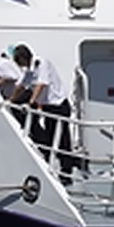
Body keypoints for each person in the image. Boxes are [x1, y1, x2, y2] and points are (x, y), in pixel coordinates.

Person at [9, 45, 78, 176]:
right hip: (48, 107)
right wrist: (10, 100)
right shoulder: (29, 69)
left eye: (19, 61)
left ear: (24, 57)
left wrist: (31, 102)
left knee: (63, 140)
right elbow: (21, 85)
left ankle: (67, 172)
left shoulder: (42, 63)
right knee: (51, 138)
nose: (19, 65)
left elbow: (41, 84)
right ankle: (54, 165)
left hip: (59, 106)